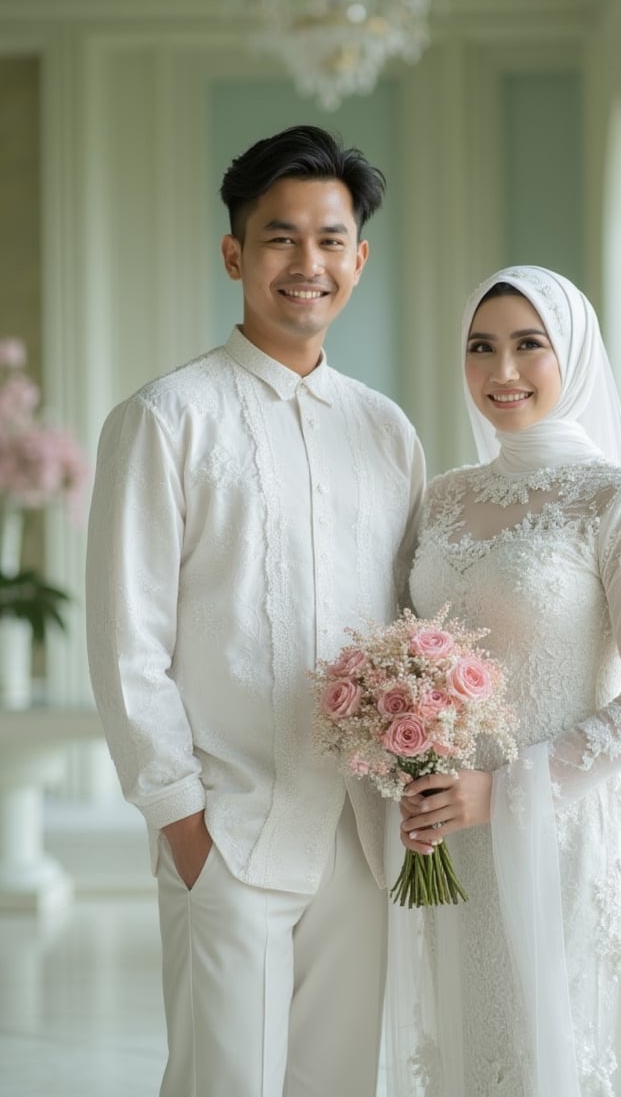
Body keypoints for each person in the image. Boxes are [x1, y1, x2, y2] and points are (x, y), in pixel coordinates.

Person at [85, 124, 426, 1097]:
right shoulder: (165, 419)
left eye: (329, 240)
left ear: (358, 259)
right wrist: (184, 828)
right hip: (230, 829)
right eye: (280, 237)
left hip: (362, 838)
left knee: (341, 1083)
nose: (305, 263)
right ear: (236, 253)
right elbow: (126, 644)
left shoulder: (388, 431)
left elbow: (409, 623)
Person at [385, 265, 621, 1096]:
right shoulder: (442, 498)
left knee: (559, 1052)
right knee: (472, 1045)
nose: (503, 372)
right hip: (453, 832)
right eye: (481, 348)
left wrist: (510, 788)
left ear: (577, 355)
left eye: (531, 345)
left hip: (566, 825)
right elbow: (407, 648)